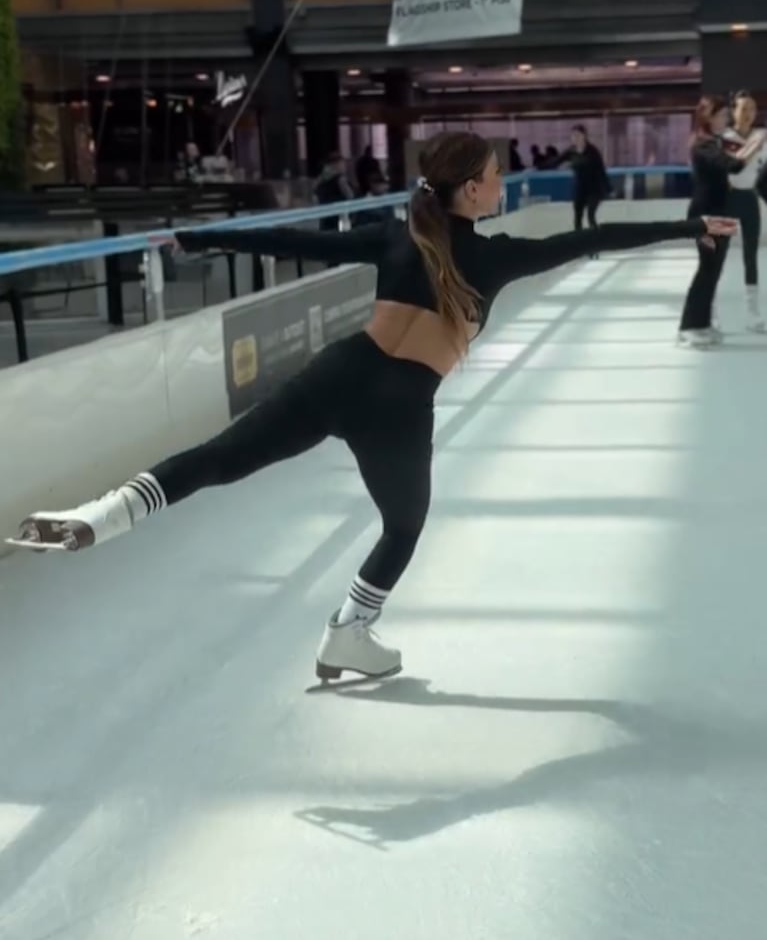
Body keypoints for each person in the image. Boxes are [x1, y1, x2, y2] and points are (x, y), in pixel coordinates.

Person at [6, 132, 737, 683]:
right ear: (470, 193)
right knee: (402, 525)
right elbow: (595, 238)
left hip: (339, 373)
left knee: (220, 460)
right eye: (491, 177)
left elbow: (292, 238)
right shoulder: (498, 256)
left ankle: (100, 515)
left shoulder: (396, 235)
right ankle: (349, 632)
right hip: (399, 406)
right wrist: (687, 228)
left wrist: (192, 235)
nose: (500, 183)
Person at [678, 95, 765, 348]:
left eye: (727, 116)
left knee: (714, 271)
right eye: (721, 116)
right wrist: (756, 144)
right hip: (705, 215)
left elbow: (740, 162)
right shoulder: (703, 145)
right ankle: (689, 326)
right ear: (708, 117)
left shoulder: (716, 141)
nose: (725, 120)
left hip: (721, 213)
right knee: (706, 270)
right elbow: (735, 167)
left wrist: (754, 145)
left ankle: (703, 324)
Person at [722, 90, 767, 332]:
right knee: (717, 253)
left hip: (749, 200)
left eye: (752, 108)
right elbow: (735, 164)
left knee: (751, 256)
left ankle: (752, 311)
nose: (748, 113)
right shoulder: (725, 137)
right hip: (727, 200)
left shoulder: (762, 136)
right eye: (743, 108)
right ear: (733, 111)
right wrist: (755, 146)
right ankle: (710, 310)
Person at [553, 125, 611, 233]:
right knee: (577, 217)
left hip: (594, 189)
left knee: (590, 215)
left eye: (578, 135)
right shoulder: (571, 151)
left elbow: (601, 170)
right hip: (579, 189)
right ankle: (577, 243)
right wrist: (537, 167)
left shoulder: (593, 151)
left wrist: (608, 189)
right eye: (573, 136)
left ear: (584, 136)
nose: (575, 138)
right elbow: (556, 161)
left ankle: (595, 240)